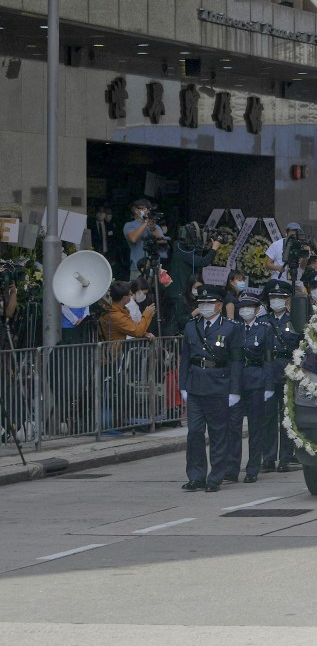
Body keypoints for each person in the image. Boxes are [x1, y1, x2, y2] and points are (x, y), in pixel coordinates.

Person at [178, 285, 242, 493]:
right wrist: (183, 386)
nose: (204, 307)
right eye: (201, 303)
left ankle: (215, 476)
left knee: (218, 433)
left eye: (209, 303)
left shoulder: (230, 328)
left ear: (219, 305)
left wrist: (234, 390)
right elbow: (185, 359)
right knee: (195, 432)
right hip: (196, 385)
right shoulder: (191, 327)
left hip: (219, 385)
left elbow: (236, 362)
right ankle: (196, 476)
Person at [224, 294, 273, 484]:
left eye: (249, 307)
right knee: (233, 426)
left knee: (255, 426)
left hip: (256, 380)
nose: (245, 311)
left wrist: (268, 385)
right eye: (242, 307)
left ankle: (253, 467)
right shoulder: (234, 328)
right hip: (236, 382)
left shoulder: (264, 329)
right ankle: (232, 468)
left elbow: (268, 359)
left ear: (256, 309)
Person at [260, 279, 302, 473]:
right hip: (268, 372)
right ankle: (268, 457)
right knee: (267, 417)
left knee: (287, 417)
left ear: (287, 300)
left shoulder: (295, 320)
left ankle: (286, 457)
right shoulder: (263, 321)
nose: (276, 300)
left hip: (287, 370)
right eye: (273, 297)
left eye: (281, 297)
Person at [122, 199, 167, 279]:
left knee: (155, 291)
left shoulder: (155, 226)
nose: (144, 211)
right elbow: (133, 238)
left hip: (154, 268)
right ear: (135, 210)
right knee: (139, 291)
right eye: (141, 208)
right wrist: (146, 222)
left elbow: (162, 243)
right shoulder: (129, 225)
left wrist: (153, 229)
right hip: (138, 268)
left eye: (146, 208)